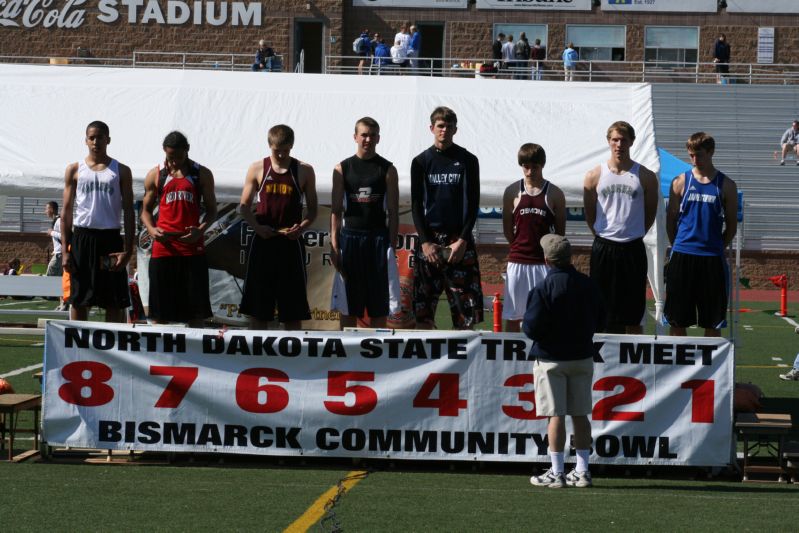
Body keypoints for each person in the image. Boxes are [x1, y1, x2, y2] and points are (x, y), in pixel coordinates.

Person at [525, 234, 605, 489]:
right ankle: (582, 470)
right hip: (582, 355)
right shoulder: (588, 284)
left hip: (551, 359)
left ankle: (557, 471)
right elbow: (601, 319)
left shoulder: (542, 288)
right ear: (569, 258)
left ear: (546, 259)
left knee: (555, 415)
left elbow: (531, 328)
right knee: (580, 414)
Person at [238, 124, 317, 331]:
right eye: (276, 150)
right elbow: (244, 207)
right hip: (263, 242)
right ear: (269, 146)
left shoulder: (304, 170)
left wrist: (301, 228)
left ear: (292, 146)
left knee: (292, 311)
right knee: (258, 310)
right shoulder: (257, 168)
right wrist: (257, 227)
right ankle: (256, 354)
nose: (281, 155)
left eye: (285, 150)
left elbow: (313, 211)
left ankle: (292, 357)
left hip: (290, 245)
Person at [583, 121, 658, 334]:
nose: (619, 144)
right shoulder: (593, 175)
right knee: (600, 308)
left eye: (623, 140)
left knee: (633, 309)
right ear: (608, 142)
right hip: (603, 248)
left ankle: (634, 363)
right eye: (615, 139)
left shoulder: (646, 176)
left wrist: (632, 232)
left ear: (632, 142)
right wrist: (602, 233)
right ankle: (601, 359)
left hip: (632, 248)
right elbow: (590, 213)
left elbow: (649, 213)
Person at [411, 106, 482, 330]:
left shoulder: (468, 160)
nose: (444, 130)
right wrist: (424, 242)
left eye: (449, 126)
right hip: (430, 242)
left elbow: (473, 204)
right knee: (422, 315)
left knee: (466, 316)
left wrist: (462, 240)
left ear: (455, 130)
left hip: (459, 242)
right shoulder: (420, 162)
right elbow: (415, 205)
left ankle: (463, 364)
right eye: (440, 126)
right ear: (432, 128)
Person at [140, 131, 218, 327]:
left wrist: (200, 230)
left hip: (192, 248)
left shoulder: (202, 174)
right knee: (159, 313)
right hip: (163, 248)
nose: (174, 162)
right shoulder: (156, 174)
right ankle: (159, 357)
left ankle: (195, 356)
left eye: (179, 157)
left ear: (187, 151)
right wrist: (151, 229)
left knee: (196, 314)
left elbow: (212, 210)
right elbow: (145, 211)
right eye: (170, 157)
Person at [665, 132, 737, 337]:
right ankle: (678, 368)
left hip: (711, 259)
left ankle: (711, 367)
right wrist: (678, 244)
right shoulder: (679, 182)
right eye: (691, 155)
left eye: (699, 155)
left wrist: (717, 246)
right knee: (677, 319)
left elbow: (731, 225)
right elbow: (670, 220)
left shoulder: (726, 185)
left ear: (711, 152)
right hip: (682, 256)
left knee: (712, 321)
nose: (695, 160)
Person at [330, 117, 399, 329]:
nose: (367, 139)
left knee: (379, 303)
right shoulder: (342, 168)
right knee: (349, 304)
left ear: (378, 138)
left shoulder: (388, 169)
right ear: (355, 137)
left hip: (378, 238)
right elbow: (336, 211)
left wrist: (392, 245)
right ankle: (347, 351)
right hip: (350, 239)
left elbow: (394, 211)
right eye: (364, 135)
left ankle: (376, 352)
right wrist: (334, 245)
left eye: (372, 135)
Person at [62, 120, 134, 322]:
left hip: (110, 240)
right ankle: (78, 347)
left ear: (108, 139)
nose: (96, 141)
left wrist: (128, 249)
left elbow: (129, 211)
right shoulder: (74, 169)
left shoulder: (121, 170)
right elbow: (66, 212)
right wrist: (65, 250)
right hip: (82, 239)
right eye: (91, 138)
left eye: (100, 137)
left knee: (112, 298)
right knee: (79, 297)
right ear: (85, 140)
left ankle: (110, 349)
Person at [501, 143, 565, 332]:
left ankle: (544, 359)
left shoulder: (555, 193)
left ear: (542, 165)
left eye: (534, 167)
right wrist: (518, 248)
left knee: (545, 317)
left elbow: (560, 234)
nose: (529, 172)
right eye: (525, 166)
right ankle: (511, 361)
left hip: (544, 265)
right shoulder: (512, 191)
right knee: (513, 318)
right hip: (517, 263)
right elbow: (507, 230)